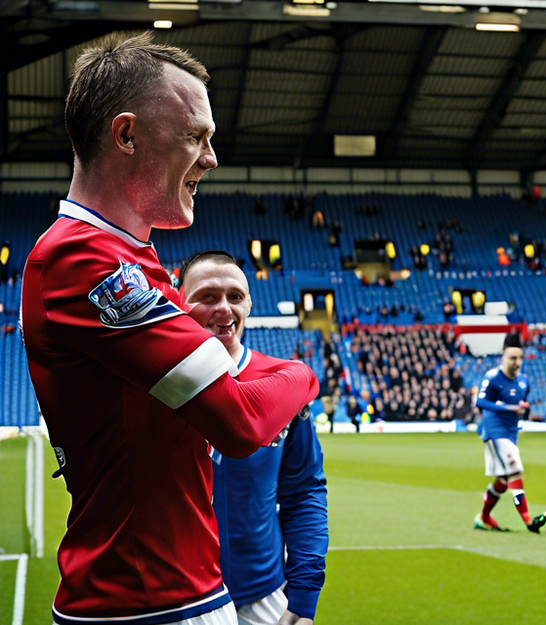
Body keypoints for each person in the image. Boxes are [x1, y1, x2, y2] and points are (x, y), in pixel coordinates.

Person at [21, 33, 318, 625]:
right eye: (196, 136)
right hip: (148, 600)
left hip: (169, 590)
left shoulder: (131, 259)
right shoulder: (85, 259)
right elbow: (240, 420)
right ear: (126, 135)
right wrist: (304, 374)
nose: (211, 158)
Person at [180, 251, 329, 625]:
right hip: (176, 601)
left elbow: (304, 491)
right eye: (207, 296)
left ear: (249, 303)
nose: (224, 309)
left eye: (235, 296)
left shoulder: (282, 385)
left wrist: (304, 595)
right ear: (178, 302)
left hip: (263, 598)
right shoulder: (147, 385)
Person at [473, 334, 546, 533]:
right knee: (516, 472)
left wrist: (524, 408)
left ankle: (484, 517)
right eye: (512, 358)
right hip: (494, 431)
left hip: (511, 432)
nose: (517, 363)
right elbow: (480, 403)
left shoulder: (523, 381)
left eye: (520, 358)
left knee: (502, 481)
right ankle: (528, 520)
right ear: (503, 358)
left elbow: (521, 405)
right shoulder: (492, 378)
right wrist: (507, 407)